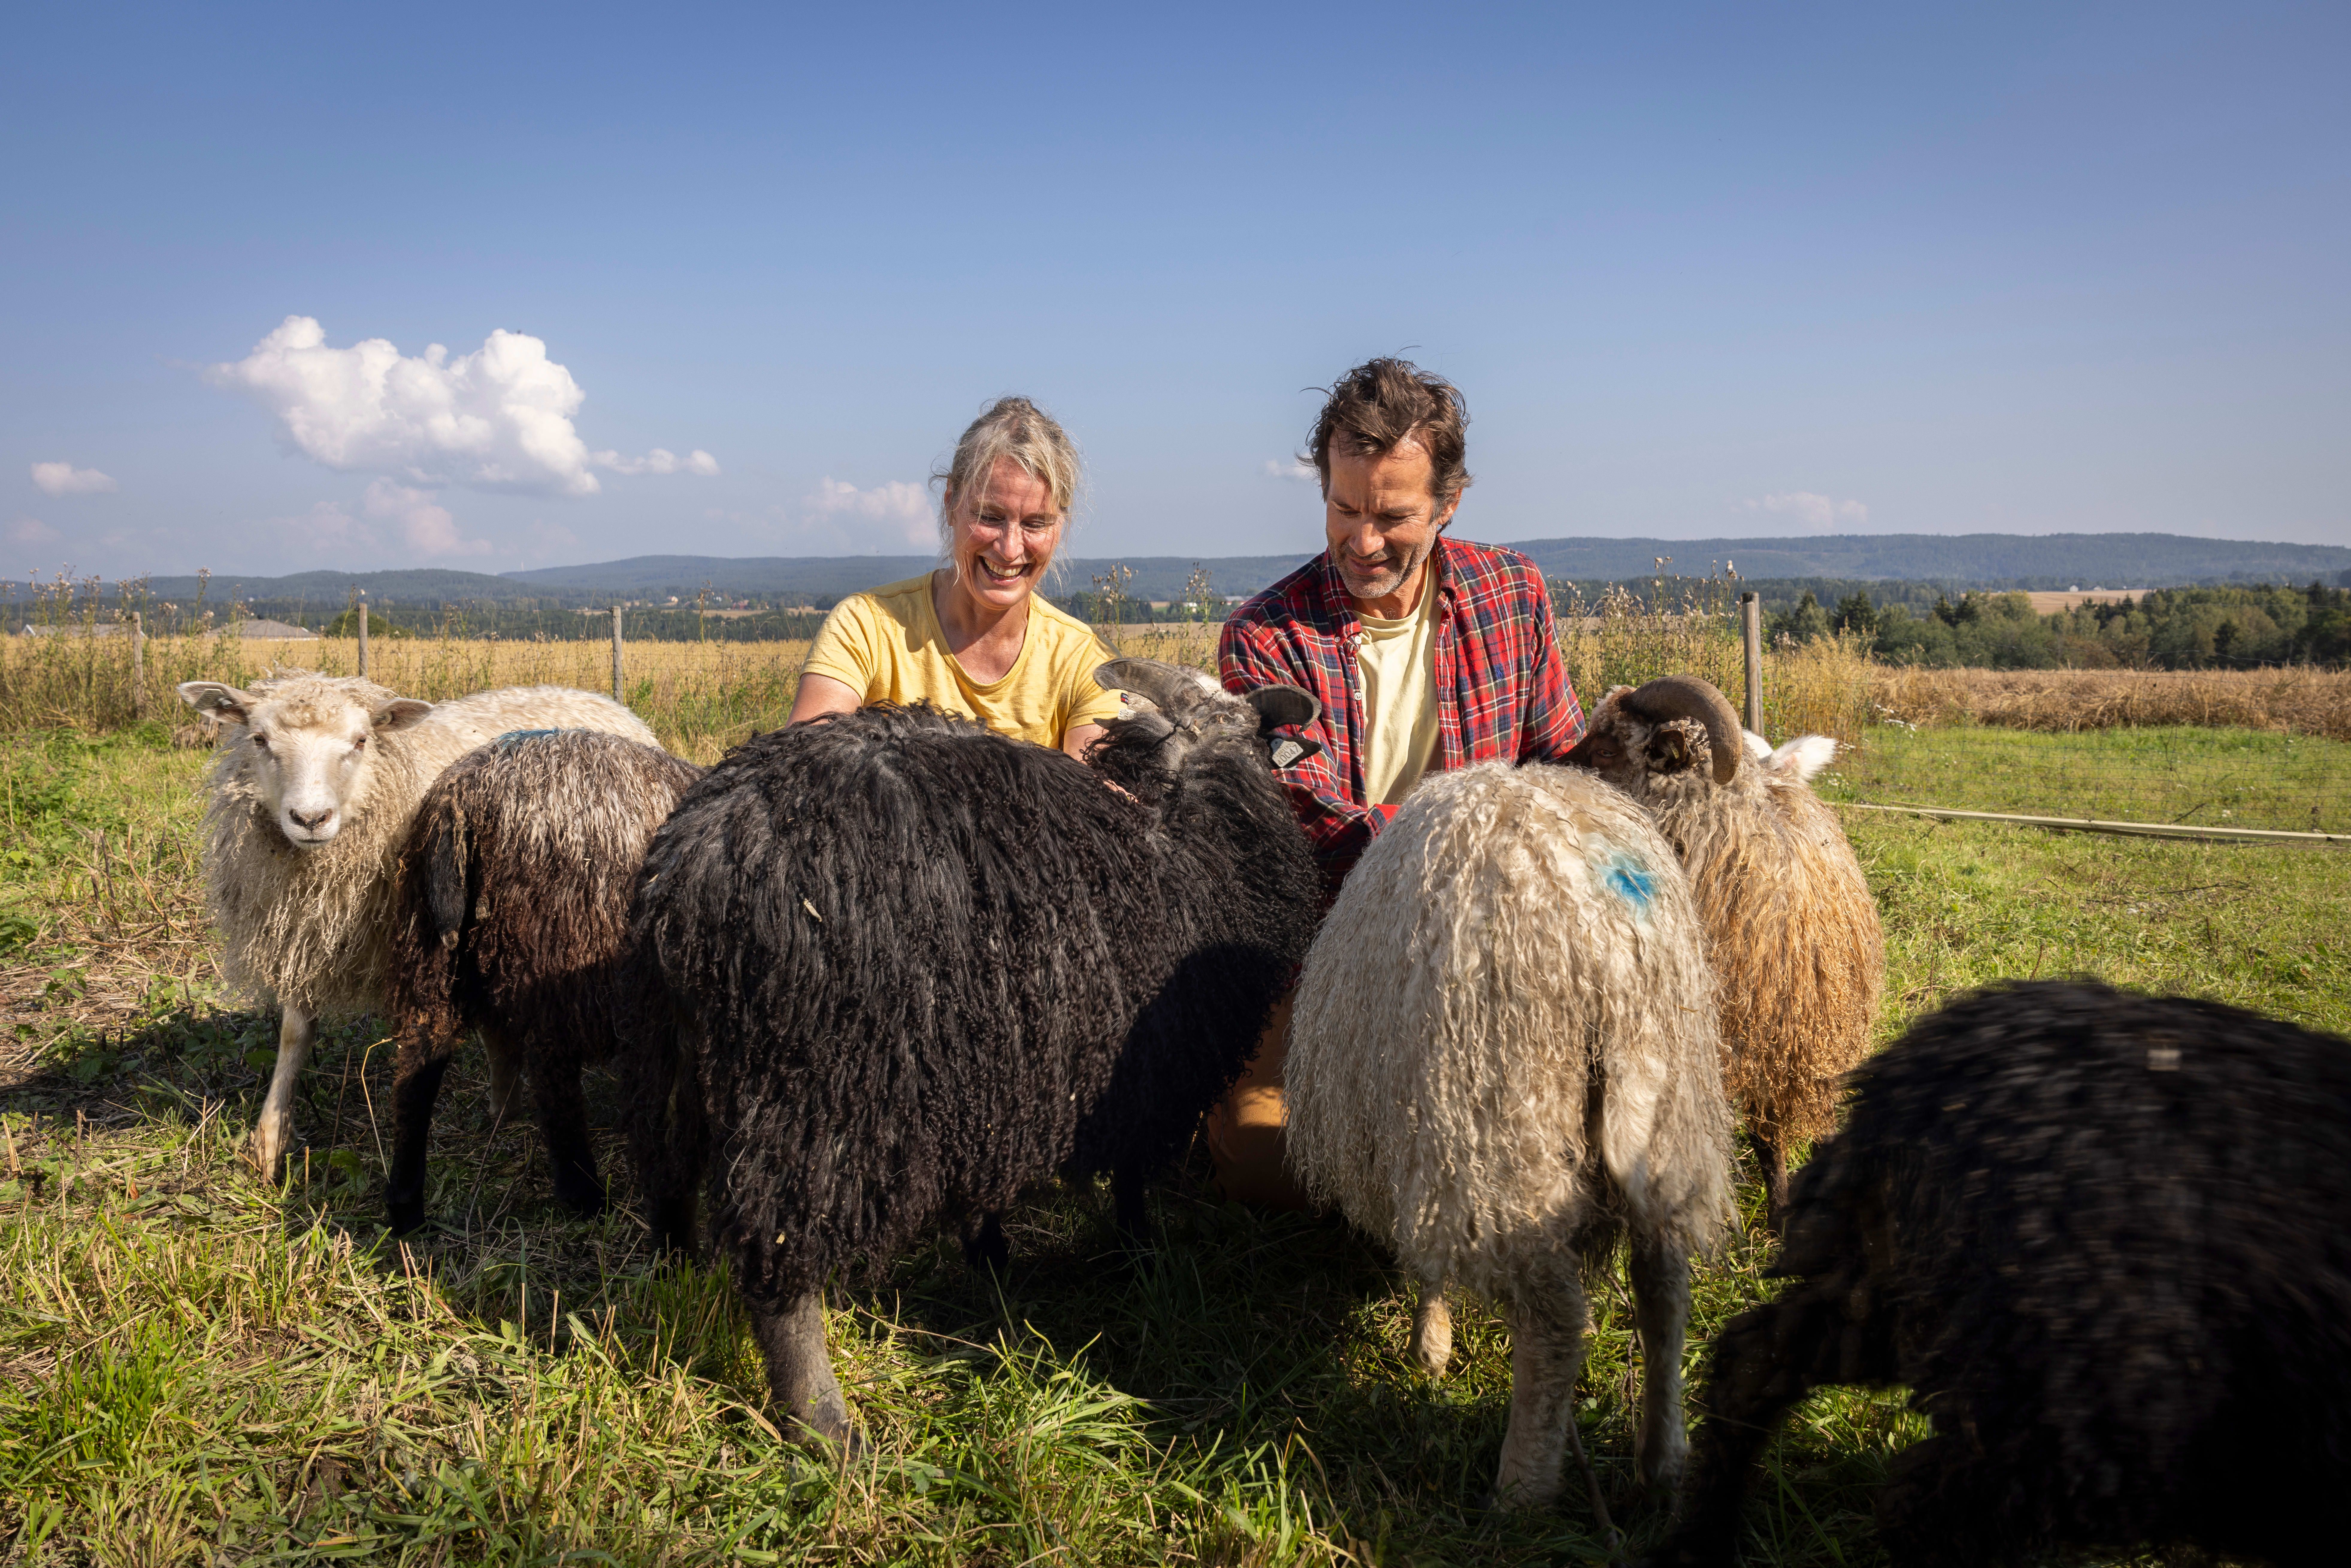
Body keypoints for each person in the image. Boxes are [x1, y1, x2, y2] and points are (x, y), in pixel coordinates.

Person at [1209, 357, 1587, 1205]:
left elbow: (1560, 766)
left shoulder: (1513, 595)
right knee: (1264, 1158)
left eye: (1393, 515)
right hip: (1328, 942)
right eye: (1344, 508)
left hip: (1492, 934)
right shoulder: (1264, 637)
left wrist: (1626, 752)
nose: (1364, 540)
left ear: (1447, 504)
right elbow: (1306, 813)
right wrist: (1457, 845)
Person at [790, 396, 1124, 756]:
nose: (1010, 549)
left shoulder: (1089, 666)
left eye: (1035, 524)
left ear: (1061, 526)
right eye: (989, 516)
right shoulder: (866, 626)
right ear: (951, 502)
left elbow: (1096, 805)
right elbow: (803, 768)